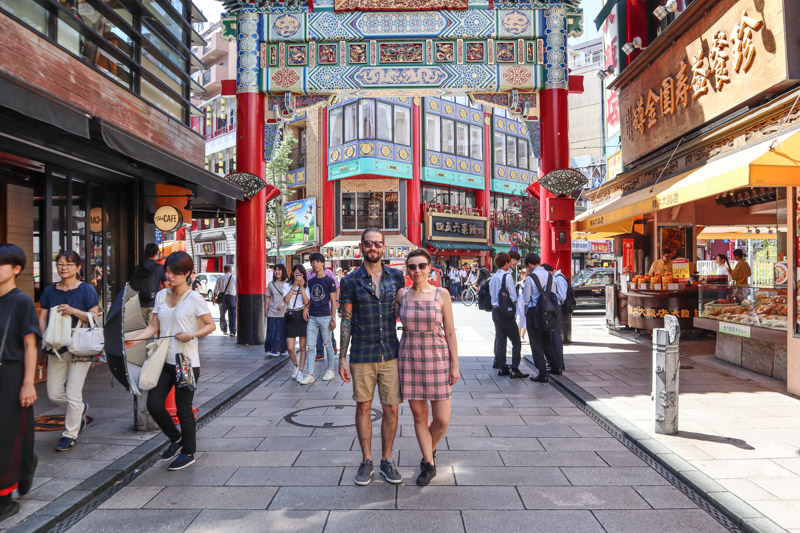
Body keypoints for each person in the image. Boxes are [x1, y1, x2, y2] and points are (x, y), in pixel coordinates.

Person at [127, 252, 215, 471]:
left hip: (186, 362)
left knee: (184, 409)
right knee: (154, 405)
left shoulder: (195, 298)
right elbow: (153, 326)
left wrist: (192, 334)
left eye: (175, 272)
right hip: (164, 360)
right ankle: (175, 439)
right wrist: (134, 340)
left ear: (186, 273)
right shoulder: (160, 296)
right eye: (167, 271)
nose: (170, 276)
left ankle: (188, 452)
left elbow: (210, 325)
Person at [339, 228, 404, 486]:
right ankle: (367, 460)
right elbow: (346, 319)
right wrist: (341, 357)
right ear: (361, 246)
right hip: (362, 353)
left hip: (390, 351)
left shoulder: (396, 277)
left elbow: (405, 309)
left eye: (377, 243)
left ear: (384, 247)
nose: (373, 247)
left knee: (391, 408)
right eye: (368, 243)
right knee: (363, 406)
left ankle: (386, 459)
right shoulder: (350, 280)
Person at [396, 248, 459, 486]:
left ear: (430, 267)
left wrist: (455, 365)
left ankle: (427, 451)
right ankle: (429, 463)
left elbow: (450, 332)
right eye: (412, 266)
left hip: (438, 355)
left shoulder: (441, 294)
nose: (417, 270)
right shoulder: (402, 294)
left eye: (422, 266)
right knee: (419, 416)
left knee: (442, 419)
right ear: (407, 269)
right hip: (409, 356)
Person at [38, 250, 99, 452]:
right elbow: (42, 317)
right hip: (56, 346)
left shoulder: (87, 290)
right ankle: (79, 410)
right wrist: (42, 339)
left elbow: (94, 317)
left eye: (69, 264)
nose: (64, 267)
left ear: (78, 268)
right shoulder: (49, 291)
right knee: (54, 394)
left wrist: (74, 311)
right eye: (60, 264)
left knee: (73, 392)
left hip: (81, 345)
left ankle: (70, 433)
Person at [0, 244, 41, 521]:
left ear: (16, 269)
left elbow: (30, 346)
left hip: (11, 373)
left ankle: (5, 497)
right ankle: (26, 465)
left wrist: (28, 383)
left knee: (6, 434)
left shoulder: (22, 301)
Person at [522, 253, 563, 383]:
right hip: (549, 313)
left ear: (529, 264)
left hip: (534, 313)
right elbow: (554, 294)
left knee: (536, 344)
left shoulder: (531, 278)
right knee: (547, 341)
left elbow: (526, 299)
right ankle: (556, 367)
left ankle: (542, 373)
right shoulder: (551, 276)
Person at [489, 252, 528, 379]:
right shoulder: (507, 277)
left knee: (501, 340)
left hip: (495, 311)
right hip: (505, 312)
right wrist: (514, 311)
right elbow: (513, 296)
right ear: (506, 263)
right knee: (516, 341)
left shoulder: (493, 277)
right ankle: (515, 369)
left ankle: (502, 367)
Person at [303, 253, 339, 384]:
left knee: (328, 345)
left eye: (318, 262)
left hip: (325, 316)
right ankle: (310, 373)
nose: (315, 264)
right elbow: (308, 299)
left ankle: (330, 370)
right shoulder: (310, 282)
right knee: (310, 346)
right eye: (313, 262)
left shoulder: (329, 281)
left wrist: (333, 318)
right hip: (312, 316)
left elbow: (334, 301)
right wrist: (306, 308)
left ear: (323, 263)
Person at [284, 264, 310, 383]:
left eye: (300, 273)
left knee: (303, 347)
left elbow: (306, 302)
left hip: (302, 316)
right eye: (296, 273)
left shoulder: (306, 286)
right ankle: (295, 365)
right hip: (290, 315)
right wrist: (294, 287)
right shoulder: (287, 285)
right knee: (290, 347)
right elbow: (286, 300)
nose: (298, 275)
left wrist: (302, 287)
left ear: (303, 275)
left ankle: (301, 371)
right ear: (292, 274)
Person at [543, 264, 568, 374]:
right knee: (552, 336)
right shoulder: (556, 278)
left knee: (555, 336)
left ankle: (559, 362)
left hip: (556, 309)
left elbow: (562, 296)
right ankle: (555, 361)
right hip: (554, 309)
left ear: (549, 271)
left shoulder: (559, 278)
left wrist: (549, 295)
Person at [137, 243, 167, 323]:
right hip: (154, 304)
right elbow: (166, 287)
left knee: (142, 332)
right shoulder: (160, 268)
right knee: (152, 330)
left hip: (140, 303)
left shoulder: (138, 267)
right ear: (156, 253)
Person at [265, 264, 289, 359]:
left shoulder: (287, 283)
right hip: (272, 310)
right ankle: (274, 349)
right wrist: (266, 309)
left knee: (282, 331)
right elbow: (268, 297)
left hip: (284, 310)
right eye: (275, 270)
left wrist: (283, 304)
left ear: (283, 271)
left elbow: (289, 296)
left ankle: (283, 349)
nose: (277, 272)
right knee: (272, 330)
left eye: (279, 270)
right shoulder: (271, 284)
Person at [215, 265, 237, 337]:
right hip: (231, 298)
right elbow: (237, 289)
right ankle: (232, 331)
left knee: (222, 314)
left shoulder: (220, 278)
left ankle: (224, 329)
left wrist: (213, 298)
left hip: (222, 298)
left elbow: (216, 289)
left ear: (223, 270)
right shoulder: (234, 278)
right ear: (231, 271)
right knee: (232, 314)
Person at [516, 269, 528, 341]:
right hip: (519, 304)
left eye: (523, 273)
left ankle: (523, 335)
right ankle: (518, 336)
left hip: (527, 305)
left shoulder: (530, 283)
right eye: (521, 273)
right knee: (519, 320)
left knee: (526, 320)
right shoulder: (518, 284)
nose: (522, 275)